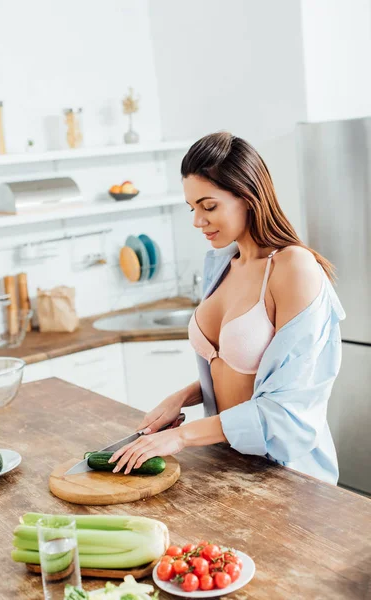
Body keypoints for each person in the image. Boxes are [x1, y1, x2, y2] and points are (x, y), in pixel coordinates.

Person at [109, 132, 345, 484]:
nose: (197, 221)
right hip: (227, 465)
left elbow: (286, 404)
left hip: (287, 474)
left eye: (209, 206)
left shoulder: (292, 268)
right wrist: (183, 396)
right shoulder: (221, 265)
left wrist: (180, 436)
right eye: (192, 208)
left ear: (247, 196)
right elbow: (242, 371)